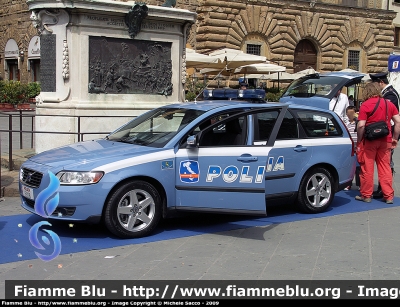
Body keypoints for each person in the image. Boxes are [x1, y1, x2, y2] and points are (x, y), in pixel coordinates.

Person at [355, 82, 400, 203]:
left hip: (370, 141)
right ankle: (389, 196)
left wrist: (359, 140)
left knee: (367, 168)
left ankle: (366, 195)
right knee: (385, 168)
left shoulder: (365, 105)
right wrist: (395, 138)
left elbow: (361, 125)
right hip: (385, 140)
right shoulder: (388, 104)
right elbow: (398, 122)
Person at [369, 72, 400, 199]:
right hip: (386, 133)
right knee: (384, 163)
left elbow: (387, 114)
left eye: (375, 84)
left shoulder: (390, 95)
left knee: (386, 163)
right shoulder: (387, 94)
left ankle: (385, 189)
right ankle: (383, 189)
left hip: (388, 134)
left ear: (381, 82)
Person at [344, 105, 360, 190]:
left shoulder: (358, 122)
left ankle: (359, 184)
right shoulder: (346, 124)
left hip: (358, 148)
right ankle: (348, 183)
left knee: (358, 167)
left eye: (351, 114)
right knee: (350, 167)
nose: (350, 116)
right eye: (348, 114)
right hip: (350, 149)